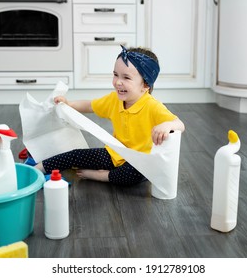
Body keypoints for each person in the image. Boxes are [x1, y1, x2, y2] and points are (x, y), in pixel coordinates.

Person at [34, 45, 185, 185]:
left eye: (126, 78)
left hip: (139, 162)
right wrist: (70, 104)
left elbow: (179, 124)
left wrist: (167, 125)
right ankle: (36, 169)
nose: (118, 82)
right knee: (75, 155)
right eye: (115, 75)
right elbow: (90, 105)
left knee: (133, 173)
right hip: (115, 154)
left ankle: (100, 176)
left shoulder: (152, 106)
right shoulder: (114, 100)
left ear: (145, 85)